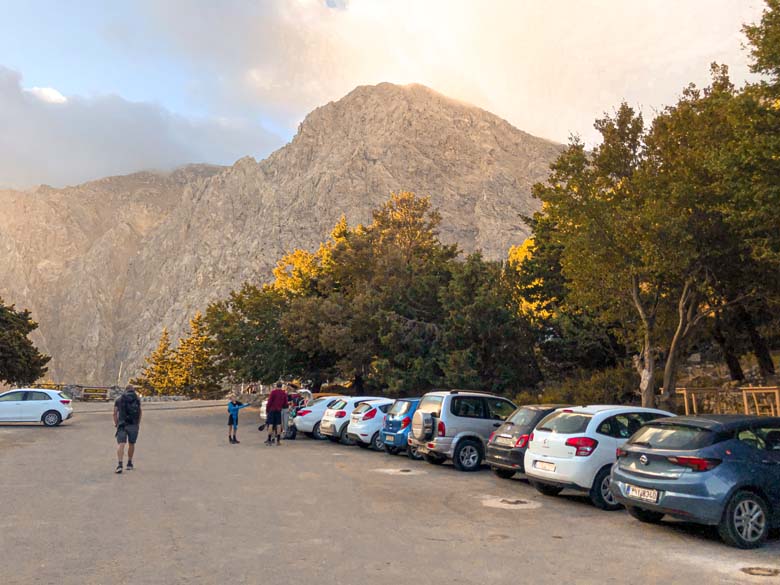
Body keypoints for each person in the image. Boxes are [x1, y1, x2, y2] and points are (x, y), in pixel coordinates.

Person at [113, 384, 142, 474]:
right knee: (131, 444)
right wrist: (137, 423)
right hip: (133, 424)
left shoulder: (119, 399)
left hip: (122, 424)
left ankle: (120, 464)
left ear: (125, 390)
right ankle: (129, 463)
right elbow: (140, 412)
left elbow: (114, 413)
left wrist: (116, 423)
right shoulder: (137, 399)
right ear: (133, 390)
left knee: (121, 444)